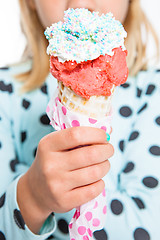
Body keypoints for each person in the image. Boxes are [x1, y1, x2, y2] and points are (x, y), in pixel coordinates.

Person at [0, 0, 159, 239]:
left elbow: (151, 222)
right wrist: (32, 197)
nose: (81, 2)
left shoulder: (153, 92)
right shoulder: (5, 95)